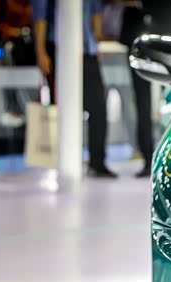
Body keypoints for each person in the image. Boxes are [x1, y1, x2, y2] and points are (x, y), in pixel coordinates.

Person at [32, 0, 117, 178]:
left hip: (88, 50)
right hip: (60, 49)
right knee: (66, 108)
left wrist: (96, 39)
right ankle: (65, 160)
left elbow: (95, 11)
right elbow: (40, 15)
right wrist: (40, 51)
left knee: (99, 108)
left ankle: (97, 162)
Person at [116, 1, 153, 178]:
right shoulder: (132, 13)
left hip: (152, 46)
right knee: (142, 106)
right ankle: (148, 157)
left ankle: (150, 157)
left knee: (145, 106)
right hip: (140, 51)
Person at [0, 0, 35, 128]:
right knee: (11, 78)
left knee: (29, 82)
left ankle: (31, 111)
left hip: (30, 45)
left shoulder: (32, 4)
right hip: (12, 44)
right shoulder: (5, 3)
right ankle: (13, 110)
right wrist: (11, 31)